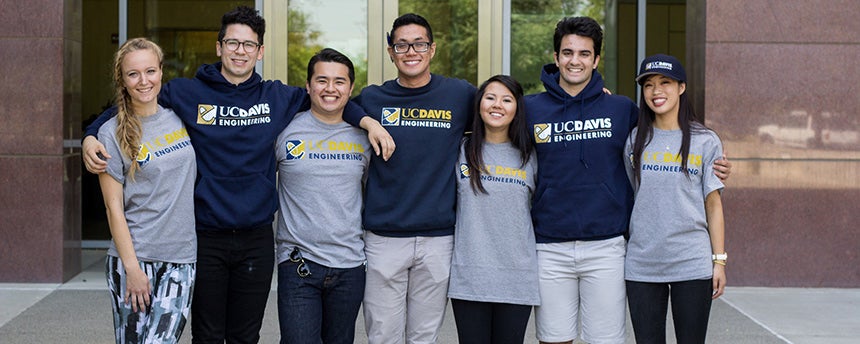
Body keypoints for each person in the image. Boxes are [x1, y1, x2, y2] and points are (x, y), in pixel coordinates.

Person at [82, 6, 393, 344]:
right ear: (219, 47)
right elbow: (134, 102)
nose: (240, 51)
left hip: (255, 239)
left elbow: (331, 97)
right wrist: (91, 133)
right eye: (232, 42)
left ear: (260, 52)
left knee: (246, 336)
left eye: (249, 45)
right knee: (209, 335)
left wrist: (368, 121)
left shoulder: (278, 97)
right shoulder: (188, 93)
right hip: (205, 237)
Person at [524, 17, 731, 344]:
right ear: (555, 57)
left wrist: (716, 168)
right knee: (553, 338)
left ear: (596, 60)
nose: (574, 60)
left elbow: (669, 134)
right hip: (550, 245)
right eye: (567, 52)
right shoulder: (529, 109)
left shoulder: (620, 110)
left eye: (583, 54)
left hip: (607, 246)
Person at [352, 13, 475, 344]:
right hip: (384, 238)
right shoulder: (374, 98)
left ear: (432, 49)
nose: (411, 51)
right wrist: (370, 123)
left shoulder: (459, 94)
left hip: (438, 239)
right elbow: (344, 108)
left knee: (424, 336)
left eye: (419, 44)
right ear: (391, 52)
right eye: (401, 45)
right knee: (382, 335)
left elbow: (505, 106)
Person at [98, 38, 197, 343]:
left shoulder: (181, 117)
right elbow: (113, 208)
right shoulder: (109, 133)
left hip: (181, 259)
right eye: (133, 74)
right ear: (122, 80)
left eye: (150, 71)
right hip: (134, 258)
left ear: (161, 72)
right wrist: (132, 268)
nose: (144, 81)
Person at [624, 53, 726, 344]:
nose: (657, 92)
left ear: (681, 87)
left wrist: (719, 261)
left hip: (691, 260)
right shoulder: (634, 140)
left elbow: (713, 204)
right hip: (643, 261)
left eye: (665, 83)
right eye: (649, 85)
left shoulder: (706, 141)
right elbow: (633, 193)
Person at [274, 48, 370, 344]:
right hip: (298, 263)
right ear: (308, 86)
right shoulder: (285, 130)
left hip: (349, 265)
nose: (330, 89)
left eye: (339, 81)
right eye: (322, 80)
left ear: (351, 88)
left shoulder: (365, 135)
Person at [447, 75, 539, 343]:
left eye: (507, 100)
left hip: (516, 276)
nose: (497, 105)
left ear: (517, 108)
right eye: (490, 97)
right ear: (479, 105)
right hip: (470, 276)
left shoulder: (531, 155)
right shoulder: (460, 150)